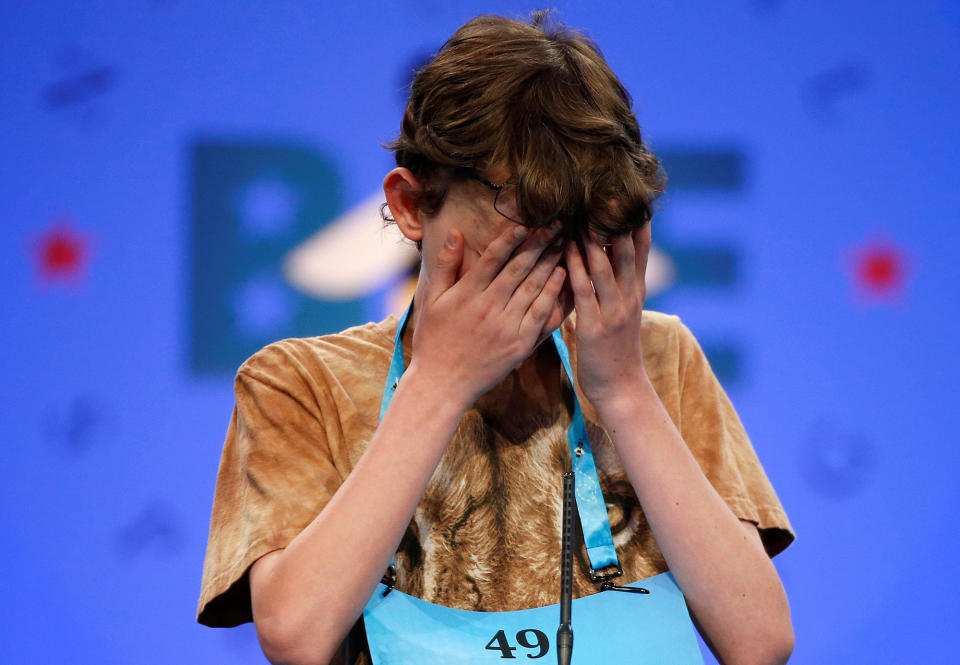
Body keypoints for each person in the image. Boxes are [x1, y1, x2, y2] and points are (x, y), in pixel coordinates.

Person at [197, 11, 795, 665]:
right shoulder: (301, 380)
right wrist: (441, 381)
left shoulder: (656, 356)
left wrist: (623, 390)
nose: (553, 268)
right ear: (409, 206)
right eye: (520, 232)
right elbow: (297, 635)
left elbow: (759, 640)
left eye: (582, 233)